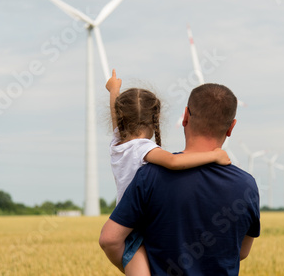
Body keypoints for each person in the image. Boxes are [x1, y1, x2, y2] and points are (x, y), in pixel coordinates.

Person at [100, 81, 260, 275]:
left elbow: (110, 239)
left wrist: (114, 91)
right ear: (231, 127)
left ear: (185, 117)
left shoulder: (150, 174)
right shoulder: (247, 186)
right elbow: (241, 251)